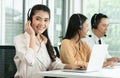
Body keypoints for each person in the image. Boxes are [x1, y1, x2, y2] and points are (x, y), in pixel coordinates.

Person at [14, 4, 84, 78]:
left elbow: (54, 64)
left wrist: (71, 66)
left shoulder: (44, 41)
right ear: (30, 20)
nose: (42, 23)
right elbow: (29, 60)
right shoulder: (20, 39)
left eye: (46, 20)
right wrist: (32, 36)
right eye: (38, 19)